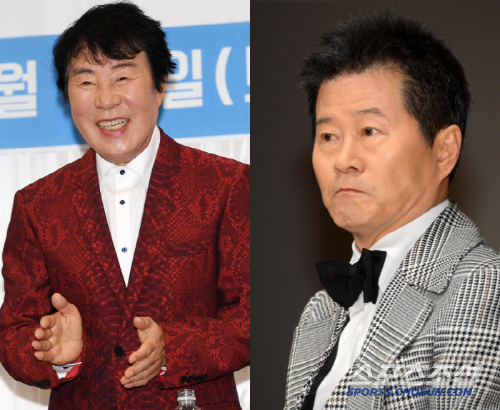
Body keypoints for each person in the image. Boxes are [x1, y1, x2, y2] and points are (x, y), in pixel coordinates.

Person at [0, 3, 249, 409]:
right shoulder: (38, 205)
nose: (106, 100)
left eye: (122, 77)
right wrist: (55, 355)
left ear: (160, 84)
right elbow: (14, 332)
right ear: (67, 94)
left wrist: (172, 349)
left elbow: (253, 316)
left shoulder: (225, 184)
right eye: (86, 81)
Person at [284, 12, 500, 410]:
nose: (343, 160)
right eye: (328, 136)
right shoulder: (320, 311)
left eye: (369, 131)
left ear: (444, 150)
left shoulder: (485, 287)